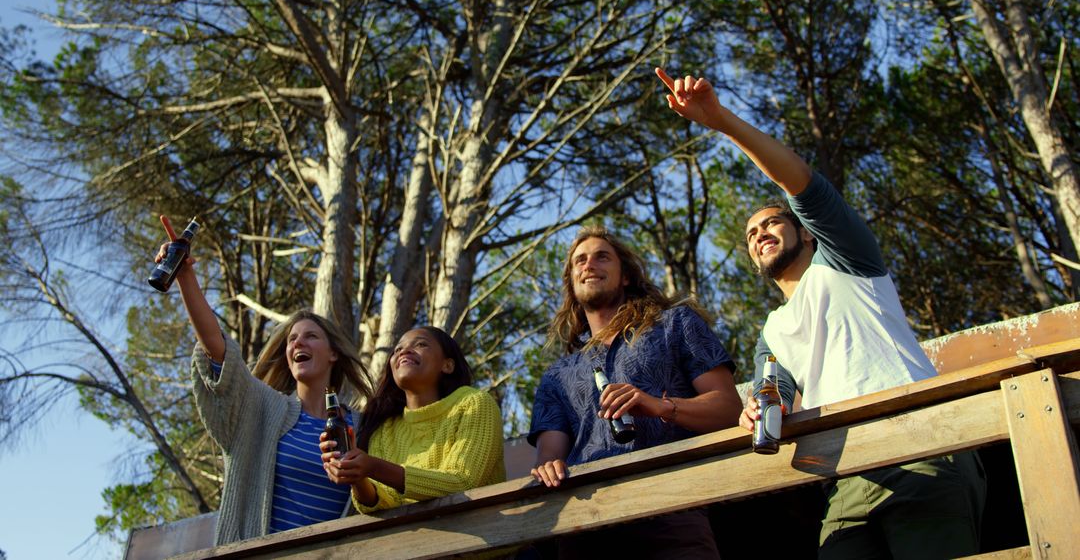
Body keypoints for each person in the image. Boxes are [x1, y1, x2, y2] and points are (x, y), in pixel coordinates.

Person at [657, 67, 986, 559]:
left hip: (921, 444)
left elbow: (803, 185)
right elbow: (776, 392)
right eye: (751, 234)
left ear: (807, 233)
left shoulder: (848, 261)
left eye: (772, 222)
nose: (761, 233)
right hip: (846, 476)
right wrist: (759, 411)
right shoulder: (772, 331)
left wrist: (721, 121)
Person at [154, 219, 374, 545]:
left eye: (310, 336)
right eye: (292, 340)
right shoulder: (262, 408)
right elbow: (219, 351)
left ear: (333, 354)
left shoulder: (362, 426)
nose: (297, 344)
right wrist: (186, 276)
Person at [528, 225, 742, 558]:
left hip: (674, 506)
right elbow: (550, 457)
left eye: (602, 257)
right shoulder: (556, 375)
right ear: (571, 281)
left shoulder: (676, 324)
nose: (589, 265)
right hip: (585, 523)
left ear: (625, 276)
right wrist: (548, 468)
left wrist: (659, 406)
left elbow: (729, 410)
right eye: (579, 261)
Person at [320, 326, 505, 512]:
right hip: (408, 538)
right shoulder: (385, 429)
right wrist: (357, 476)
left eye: (421, 344)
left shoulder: (473, 404)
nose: (404, 351)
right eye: (397, 349)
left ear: (447, 365)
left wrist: (374, 467)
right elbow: (383, 505)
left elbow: (463, 481)